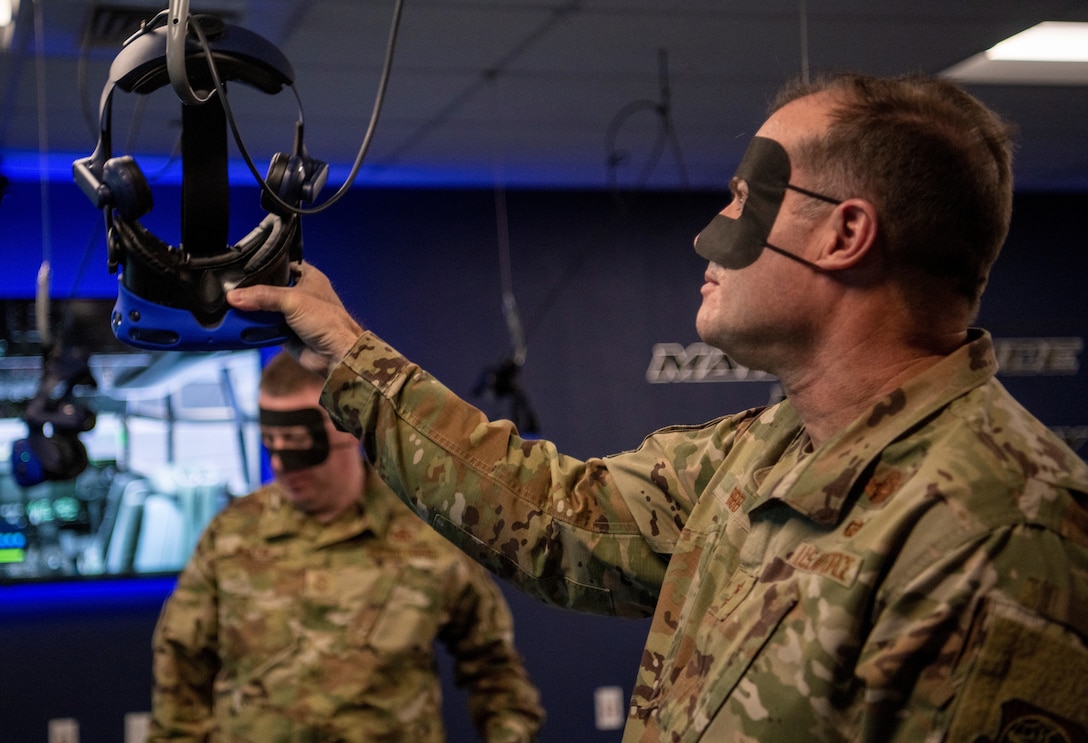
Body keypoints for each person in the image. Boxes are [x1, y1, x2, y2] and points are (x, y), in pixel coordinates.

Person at [227, 72, 1088, 741]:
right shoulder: (765, 452)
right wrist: (344, 346)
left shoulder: (1003, 528)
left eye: (748, 198)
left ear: (844, 234)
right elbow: (550, 516)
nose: (711, 228)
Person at [149, 351, 545, 742]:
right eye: (272, 440)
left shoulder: (426, 536)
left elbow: (497, 671)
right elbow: (180, 672)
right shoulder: (230, 535)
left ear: (348, 426)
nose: (283, 463)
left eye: (300, 440)